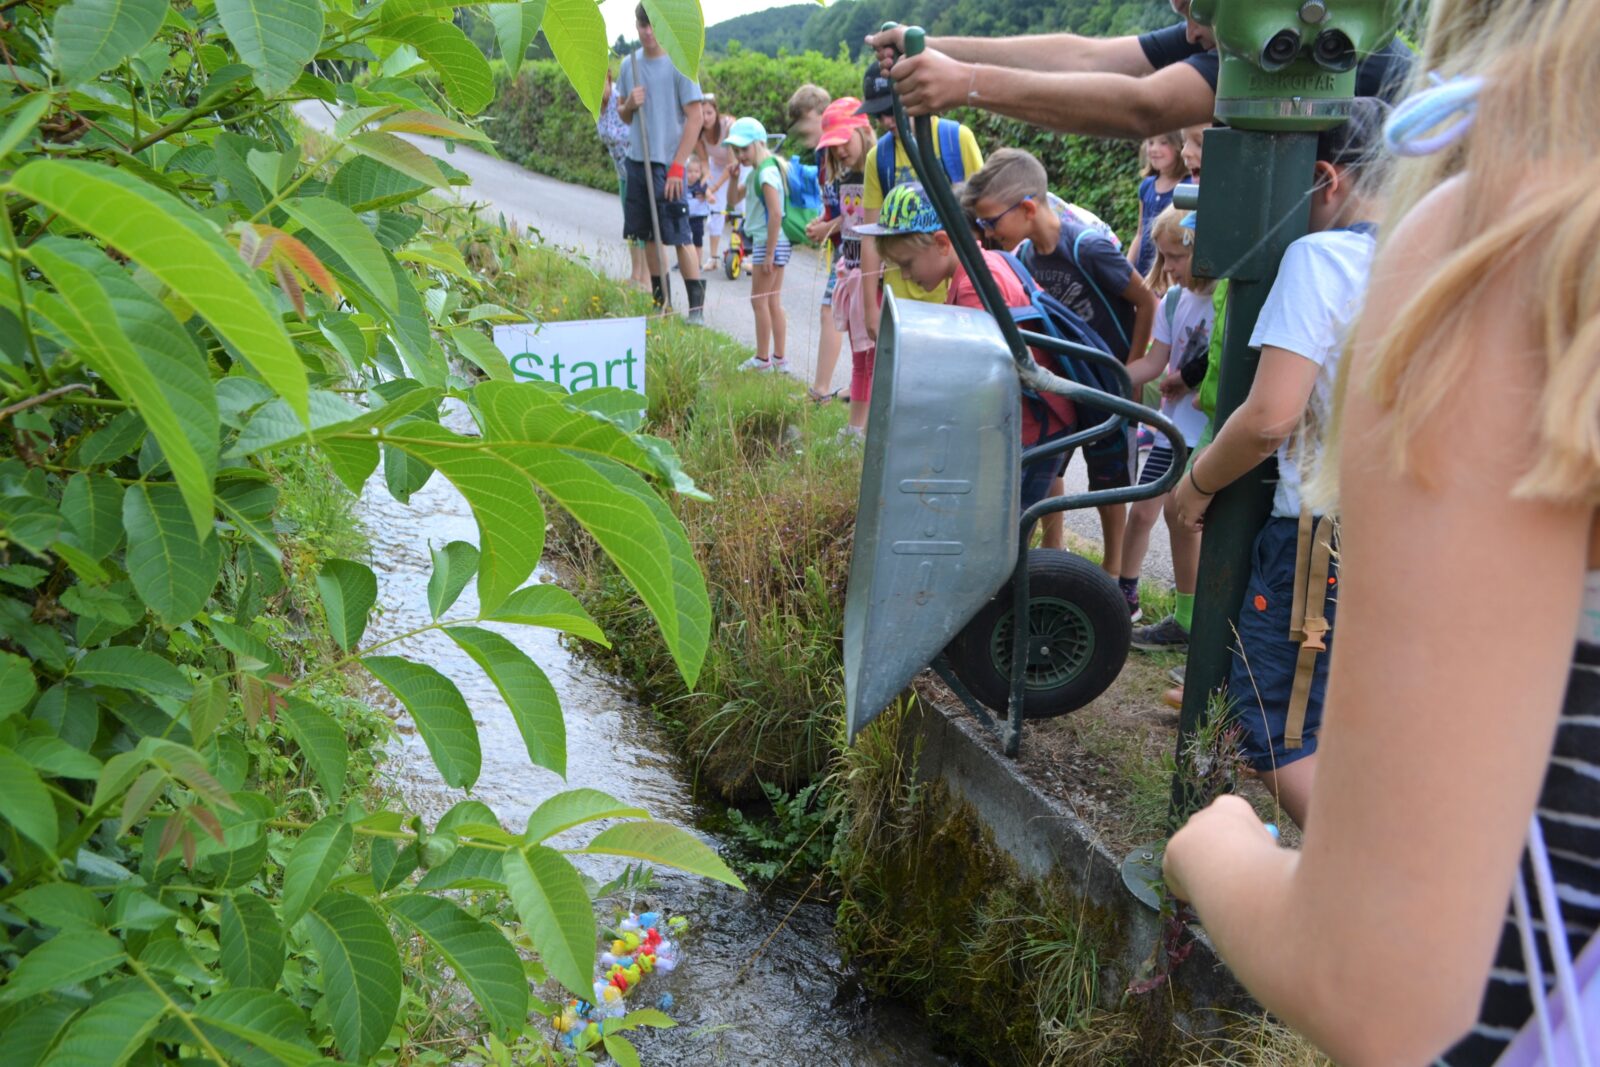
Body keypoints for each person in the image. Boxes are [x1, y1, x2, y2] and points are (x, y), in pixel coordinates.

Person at [1165, 2, 1600, 1061]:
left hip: (1313, 529)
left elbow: (1374, 990)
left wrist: (1208, 843)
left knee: (1276, 729)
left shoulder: (1510, 242)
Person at [1166, 104, 1383, 829]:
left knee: (1272, 733)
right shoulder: (1445, 261)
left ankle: (1360, 879)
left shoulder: (1325, 258)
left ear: (1323, 178)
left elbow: (1269, 418)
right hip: (1413, 531)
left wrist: (1197, 484)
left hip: (1325, 535)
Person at [959, 147, 1158, 582]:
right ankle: (1052, 552)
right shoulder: (1025, 257)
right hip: (1064, 381)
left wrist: (1131, 371)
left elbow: (1146, 301)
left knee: (1109, 481)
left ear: (1027, 208)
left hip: (1106, 383)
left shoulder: (1088, 247)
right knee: (1051, 464)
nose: (987, 233)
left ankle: (1115, 576)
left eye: (991, 222)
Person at [864, 1, 1410, 140]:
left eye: (1194, 11)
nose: (1190, 32)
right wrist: (931, 45)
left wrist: (966, 84)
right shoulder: (1238, 26)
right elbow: (1089, 57)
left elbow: (1143, 108)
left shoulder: (1285, 49)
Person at [860, 183, 1076, 511]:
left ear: (942, 243)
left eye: (907, 263)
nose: (904, 275)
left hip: (1033, 429)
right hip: (1029, 423)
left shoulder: (974, 286)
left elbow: (985, 377)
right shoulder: (979, 266)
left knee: (1005, 527)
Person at [1119, 207, 1213, 644]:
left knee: (1183, 517)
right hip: (1173, 431)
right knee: (1144, 510)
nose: (1169, 267)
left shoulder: (1227, 299)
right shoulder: (1173, 301)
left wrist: (1190, 378)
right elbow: (1155, 363)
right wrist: (1110, 380)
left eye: (1177, 257)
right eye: (1164, 257)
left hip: (1206, 433)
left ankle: (1190, 616)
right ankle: (1129, 595)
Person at [856, 61, 983, 339]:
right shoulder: (878, 158)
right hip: (901, 299)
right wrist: (870, 308)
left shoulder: (957, 140)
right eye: (878, 115)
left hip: (957, 294)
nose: (886, 122)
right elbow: (871, 237)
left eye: (891, 111)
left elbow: (983, 217)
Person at [616, 3, 705, 323]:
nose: (649, 32)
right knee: (648, 235)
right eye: (643, 25)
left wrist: (679, 166)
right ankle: (661, 303)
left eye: (653, 25)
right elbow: (623, 115)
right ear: (636, 26)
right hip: (637, 161)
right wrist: (630, 103)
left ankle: (696, 310)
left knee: (680, 234)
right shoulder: (629, 65)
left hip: (669, 166)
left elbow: (696, 118)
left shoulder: (680, 64)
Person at [811, 98, 875, 436]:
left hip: (873, 277)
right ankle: (854, 429)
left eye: (844, 141)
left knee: (874, 357)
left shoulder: (878, 172)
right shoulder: (845, 177)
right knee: (859, 356)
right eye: (832, 147)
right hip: (849, 270)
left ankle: (870, 431)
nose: (839, 151)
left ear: (863, 131)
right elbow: (849, 222)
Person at [724, 118, 789, 373]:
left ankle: (762, 360)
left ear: (759, 144)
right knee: (771, 301)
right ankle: (780, 359)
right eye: (736, 150)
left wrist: (769, 253)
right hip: (775, 242)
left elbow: (776, 213)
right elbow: (733, 200)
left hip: (768, 242)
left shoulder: (765, 173)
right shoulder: (758, 171)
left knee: (758, 301)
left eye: (744, 149)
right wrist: (733, 178)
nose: (740, 155)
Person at [599, 68, 649, 289]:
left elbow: (634, 129)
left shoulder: (619, 97)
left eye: (599, 82)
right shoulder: (596, 106)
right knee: (630, 225)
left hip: (637, 169)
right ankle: (635, 274)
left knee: (641, 225)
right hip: (622, 173)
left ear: (608, 79)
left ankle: (647, 278)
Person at [1126, 131, 1190, 277]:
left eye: (1163, 143)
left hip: (1169, 274)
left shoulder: (1188, 188)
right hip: (1143, 273)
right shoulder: (1146, 186)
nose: (1154, 149)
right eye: (1150, 142)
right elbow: (1140, 233)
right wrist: (1126, 267)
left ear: (1178, 146)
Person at [695, 93, 736, 272]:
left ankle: (740, 253)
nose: (705, 118)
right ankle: (713, 257)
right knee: (715, 210)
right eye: (702, 113)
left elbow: (732, 164)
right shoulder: (698, 131)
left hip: (738, 166)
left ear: (716, 112)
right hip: (716, 165)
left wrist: (715, 187)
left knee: (740, 210)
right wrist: (706, 178)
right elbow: (704, 161)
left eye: (709, 113)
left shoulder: (727, 127)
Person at [685, 155, 710, 267]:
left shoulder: (701, 185)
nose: (693, 174)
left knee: (698, 242)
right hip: (685, 216)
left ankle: (697, 263)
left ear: (700, 173)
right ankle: (684, 262)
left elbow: (708, 193)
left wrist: (710, 197)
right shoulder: (683, 184)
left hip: (697, 218)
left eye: (696, 171)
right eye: (690, 171)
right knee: (684, 242)